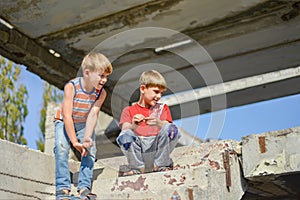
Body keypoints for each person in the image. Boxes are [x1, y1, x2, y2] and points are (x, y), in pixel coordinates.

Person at [53, 52, 113, 200]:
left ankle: (84, 187)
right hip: (64, 121)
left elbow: (93, 113)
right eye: (101, 76)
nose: (104, 80)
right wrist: (74, 142)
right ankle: (63, 188)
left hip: (83, 123)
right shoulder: (71, 86)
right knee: (61, 148)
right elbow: (67, 115)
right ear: (87, 73)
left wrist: (86, 137)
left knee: (90, 149)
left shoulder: (101, 93)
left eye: (106, 77)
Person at [116, 70, 181, 176]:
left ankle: (161, 165)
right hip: (139, 150)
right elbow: (125, 129)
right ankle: (138, 168)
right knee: (125, 134)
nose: (159, 96)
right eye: (156, 91)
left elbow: (169, 129)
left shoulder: (162, 108)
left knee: (171, 128)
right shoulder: (128, 110)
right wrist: (134, 125)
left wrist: (158, 123)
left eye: (161, 93)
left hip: (157, 149)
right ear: (143, 89)